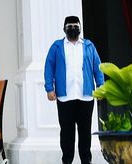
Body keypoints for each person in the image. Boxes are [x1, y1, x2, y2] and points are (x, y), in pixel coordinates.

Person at [44, 16, 104, 164]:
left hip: (86, 96)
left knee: (85, 132)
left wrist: (101, 87)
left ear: (80, 27)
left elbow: (98, 67)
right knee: (66, 133)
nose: (72, 28)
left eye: (75, 25)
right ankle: (67, 160)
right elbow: (49, 67)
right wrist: (49, 88)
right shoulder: (57, 46)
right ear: (64, 28)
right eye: (69, 26)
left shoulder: (89, 46)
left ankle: (86, 160)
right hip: (65, 97)